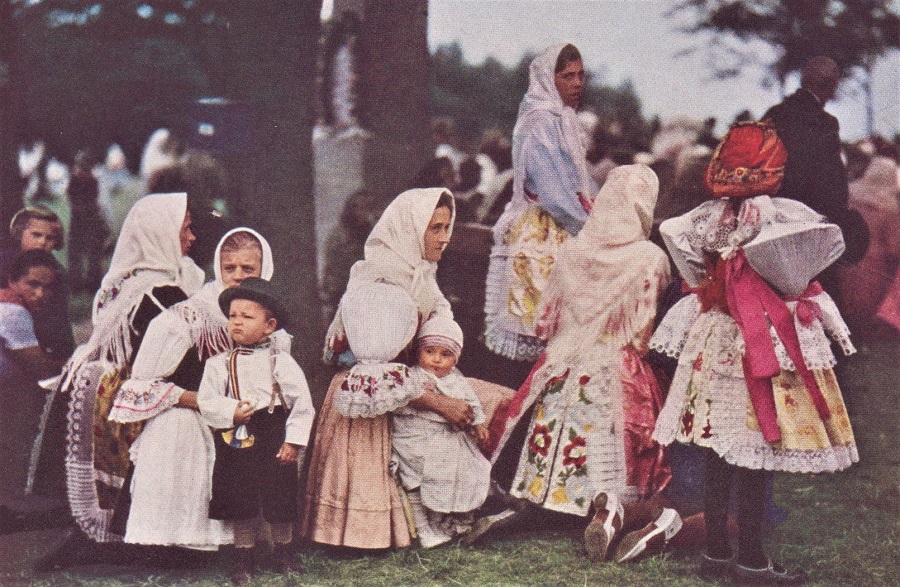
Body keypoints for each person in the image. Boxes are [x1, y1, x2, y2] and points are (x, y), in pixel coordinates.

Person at [651, 122, 857, 584]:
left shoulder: (706, 217)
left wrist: (708, 283)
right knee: (752, 448)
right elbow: (807, 262)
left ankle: (718, 554)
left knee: (719, 448)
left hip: (716, 332)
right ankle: (750, 559)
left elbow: (672, 232)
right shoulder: (778, 215)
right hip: (759, 334)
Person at [469, 165, 682, 562]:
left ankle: (536, 502)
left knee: (548, 436)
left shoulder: (572, 250)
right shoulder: (650, 258)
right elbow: (642, 335)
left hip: (562, 364)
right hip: (618, 365)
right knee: (619, 444)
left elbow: (545, 322)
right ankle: (608, 509)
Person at [29, 192, 205, 569]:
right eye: (185, 230)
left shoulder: (125, 280)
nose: (191, 239)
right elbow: (177, 364)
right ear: (159, 235)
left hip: (109, 382)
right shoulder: (163, 294)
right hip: (139, 390)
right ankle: (131, 535)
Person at [302, 187, 476, 549]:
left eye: (447, 227)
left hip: (405, 386)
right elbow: (375, 372)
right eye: (435, 229)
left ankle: (462, 505)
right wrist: (439, 402)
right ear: (410, 229)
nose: (445, 238)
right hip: (370, 400)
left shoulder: (420, 275)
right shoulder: (381, 282)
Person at [107, 227, 274, 552]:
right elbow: (141, 383)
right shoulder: (193, 314)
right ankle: (177, 541)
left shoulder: (270, 317)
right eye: (230, 268)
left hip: (245, 412)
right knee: (176, 426)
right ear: (218, 268)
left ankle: (250, 538)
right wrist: (197, 400)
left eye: (248, 269)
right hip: (194, 413)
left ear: (264, 270)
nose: (237, 276)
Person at [484, 43, 596, 363]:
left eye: (580, 76)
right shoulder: (540, 119)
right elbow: (551, 191)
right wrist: (588, 224)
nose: (577, 84)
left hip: (566, 215)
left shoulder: (564, 117)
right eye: (567, 76)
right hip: (546, 222)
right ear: (550, 79)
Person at [198, 278, 314, 584]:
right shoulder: (218, 364)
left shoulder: (281, 362)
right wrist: (230, 412)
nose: (237, 322)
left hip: (273, 431)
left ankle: (285, 553)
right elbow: (206, 400)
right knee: (241, 496)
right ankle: (243, 559)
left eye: (247, 317)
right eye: (233, 316)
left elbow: (302, 403)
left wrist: (293, 442)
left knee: (280, 494)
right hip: (237, 435)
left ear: (269, 326)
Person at [762, 56, 869, 274]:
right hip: (809, 222)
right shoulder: (824, 122)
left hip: (771, 216)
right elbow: (832, 180)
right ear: (831, 85)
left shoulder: (774, 114)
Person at [392, 316, 491, 548]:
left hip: (444, 440)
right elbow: (401, 397)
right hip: (413, 436)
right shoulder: (411, 376)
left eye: (445, 355)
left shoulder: (456, 380)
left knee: (456, 474)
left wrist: (478, 424)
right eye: (429, 351)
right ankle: (423, 529)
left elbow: (471, 403)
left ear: (455, 359)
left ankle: (448, 522)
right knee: (415, 480)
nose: (436, 360)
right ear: (419, 352)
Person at [0, 251, 66, 520]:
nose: (40, 294)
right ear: (12, 281)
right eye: (32, 284)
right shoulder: (14, 313)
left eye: (47, 287)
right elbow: (40, 368)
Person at [1, 206, 75, 360]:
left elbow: (60, 321)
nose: (42, 242)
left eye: (50, 238)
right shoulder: (4, 263)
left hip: (38, 341)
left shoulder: (56, 273)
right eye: (36, 235)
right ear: (20, 233)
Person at [838, 156, 900, 335]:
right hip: (875, 267)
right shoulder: (889, 206)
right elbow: (894, 247)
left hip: (846, 258)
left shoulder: (848, 195)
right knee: (866, 309)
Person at [66, 150, 108, 293]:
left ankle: (77, 284)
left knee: (77, 254)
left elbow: (71, 199)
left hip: (79, 219)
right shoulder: (93, 181)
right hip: (90, 218)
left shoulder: (75, 180)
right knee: (92, 254)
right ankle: (92, 283)